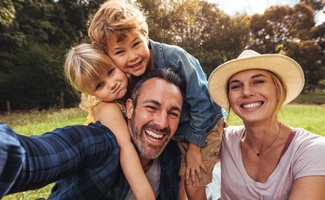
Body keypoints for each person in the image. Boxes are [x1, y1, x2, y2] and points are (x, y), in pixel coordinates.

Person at [88, 1, 226, 199]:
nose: (133, 56)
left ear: (145, 35)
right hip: (176, 131)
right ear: (109, 56)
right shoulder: (127, 77)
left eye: (136, 44)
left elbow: (203, 103)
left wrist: (195, 149)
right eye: (120, 52)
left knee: (194, 183)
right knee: (180, 182)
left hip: (206, 126)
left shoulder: (176, 58)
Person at [3, 68, 183, 199]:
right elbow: (38, 156)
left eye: (173, 113)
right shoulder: (100, 143)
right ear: (129, 108)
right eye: (151, 107)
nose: (161, 123)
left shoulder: (173, 156)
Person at [207, 49, 325, 199]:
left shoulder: (312, 150)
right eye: (236, 86)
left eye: (258, 81)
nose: (247, 92)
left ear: (278, 90)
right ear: (229, 98)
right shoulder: (223, 141)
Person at [64, 43, 155, 199]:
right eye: (100, 85)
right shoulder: (108, 108)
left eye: (111, 71)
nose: (112, 84)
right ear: (89, 92)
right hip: (98, 184)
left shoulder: (126, 93)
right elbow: (126, 151)